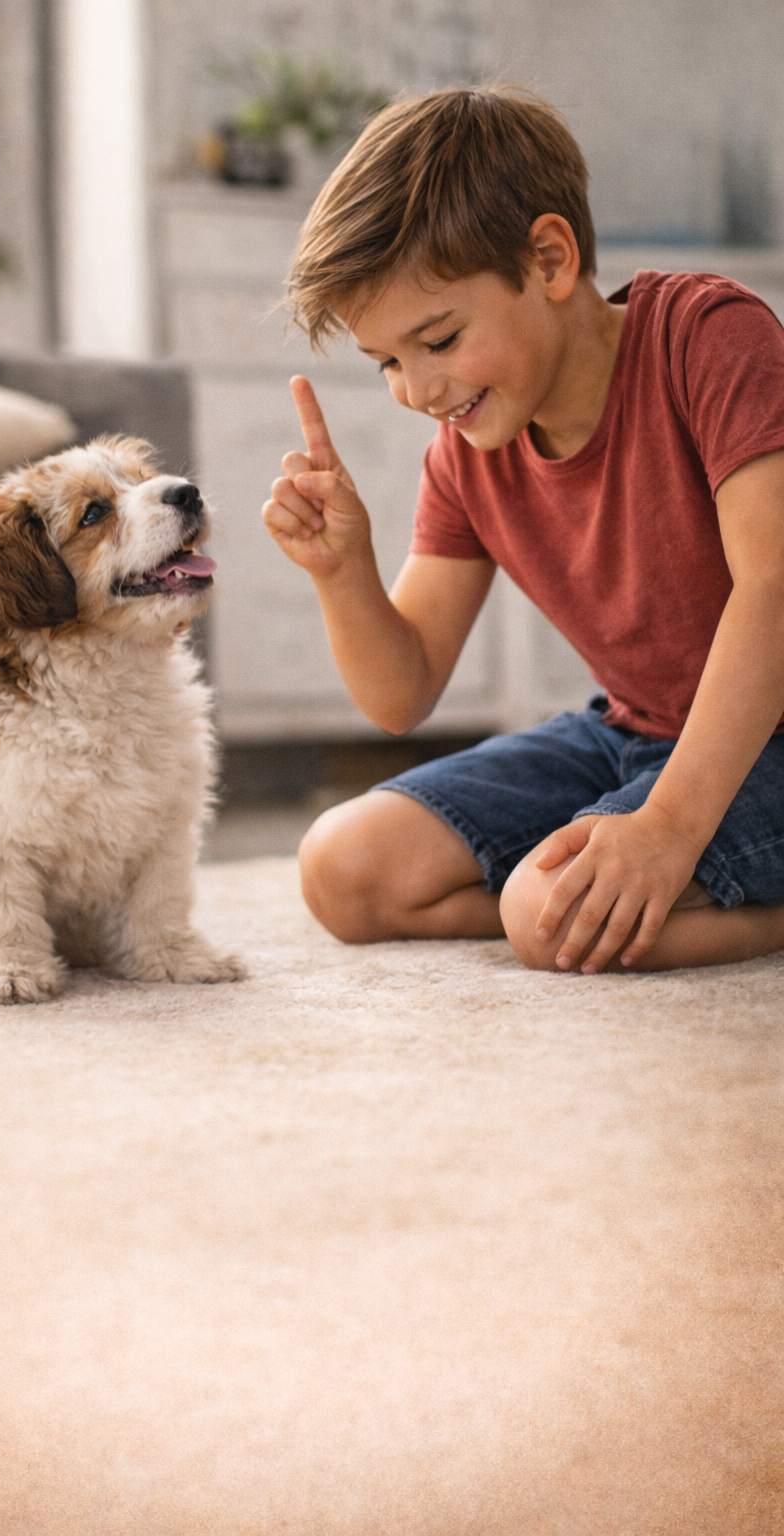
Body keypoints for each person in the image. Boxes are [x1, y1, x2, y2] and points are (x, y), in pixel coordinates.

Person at [261, 85, 784, 975]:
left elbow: (773, 590)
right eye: (386, 361)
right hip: (636, 733)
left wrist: (666, 827)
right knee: (344, 868)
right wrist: (341, 570)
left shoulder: (707, 339)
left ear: (548, 259)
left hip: (767, 735)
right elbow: (401, 694)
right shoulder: (465, 453)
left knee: (544, 914)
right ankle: (635, 886)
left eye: (439, 340)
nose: (418, 391)